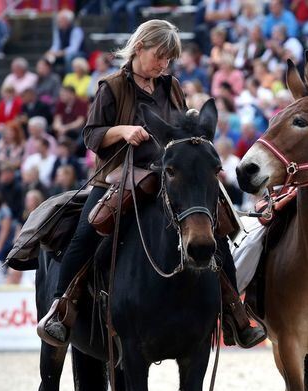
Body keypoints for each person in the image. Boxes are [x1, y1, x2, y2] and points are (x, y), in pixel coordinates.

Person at [37, 20, 264, 350]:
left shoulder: (169, 86)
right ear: (139, 48)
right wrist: (123, 131)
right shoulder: (111, 87)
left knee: (219, 223)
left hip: (167, 174)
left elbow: (179, 130)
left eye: (168, 59)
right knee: (88, 231)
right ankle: (62, 307)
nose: (163, 65)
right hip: (119, 175)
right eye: (160, 56)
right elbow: (91, 135)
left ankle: (234, 313)